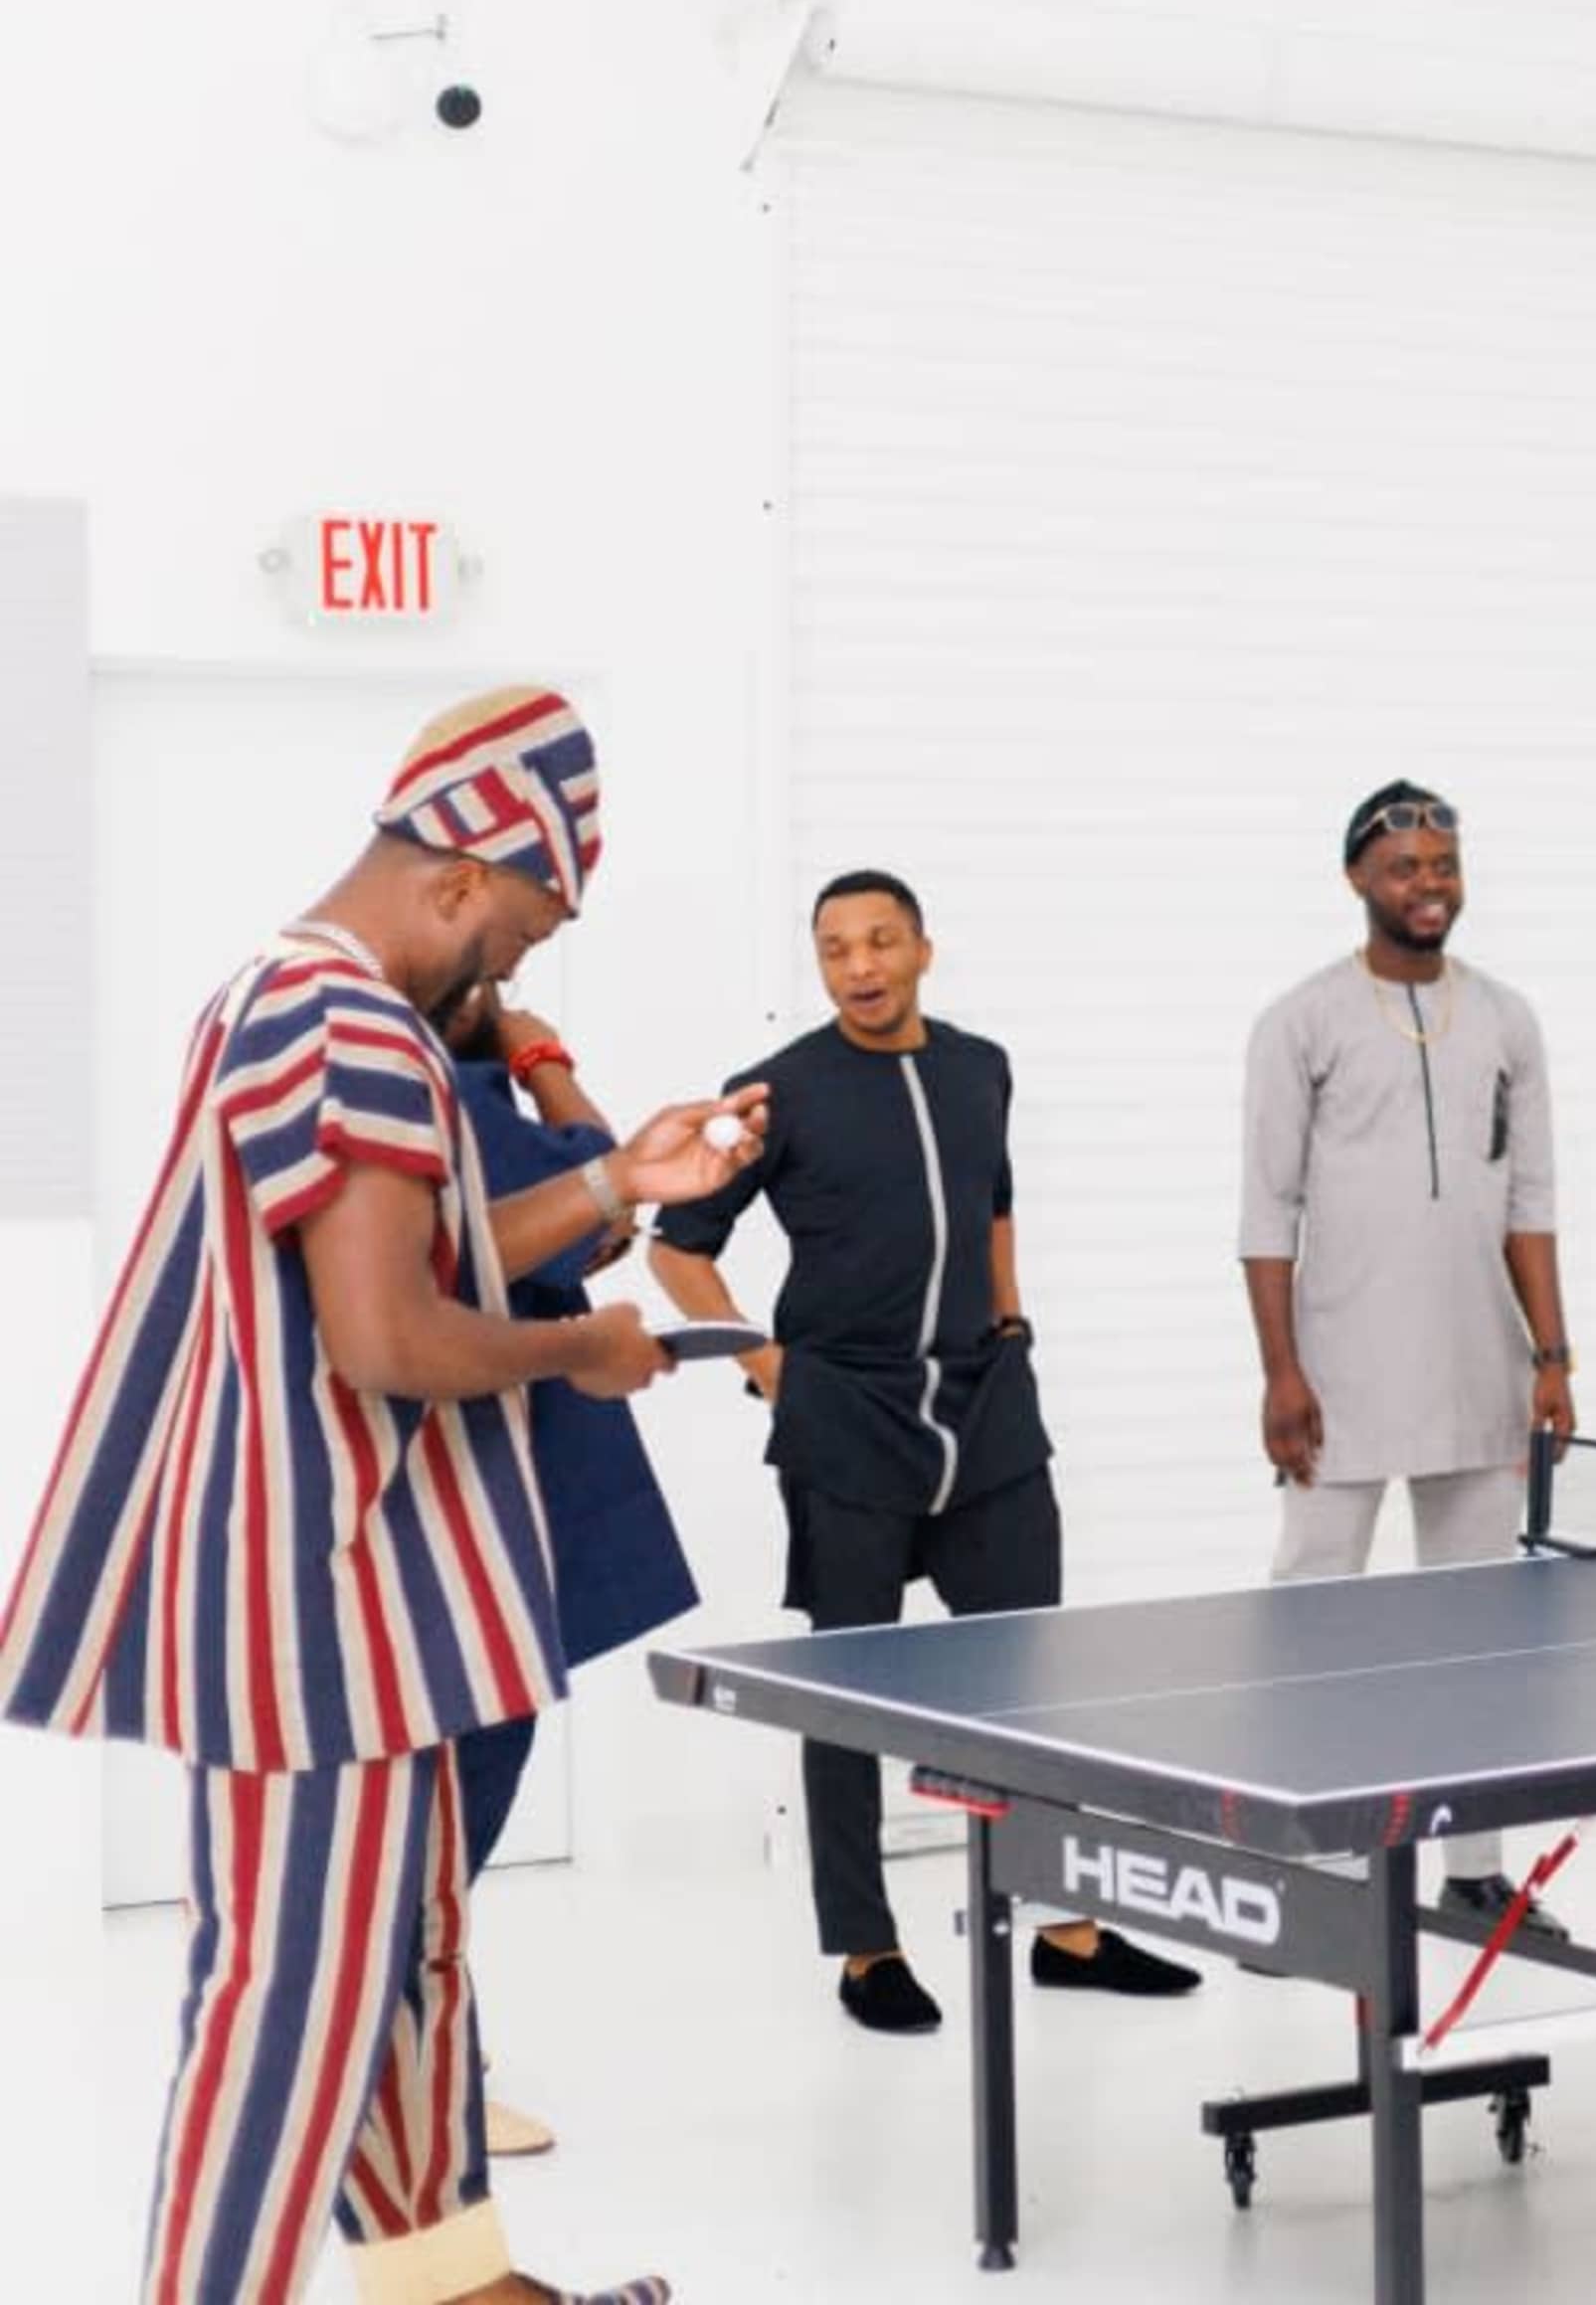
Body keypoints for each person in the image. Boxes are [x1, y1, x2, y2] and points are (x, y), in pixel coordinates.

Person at [0, 685, 751, 2305]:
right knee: (291, 2004)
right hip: (315, 1604)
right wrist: (592, 1351)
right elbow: (391, 1334)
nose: (522, 968)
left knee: (407, 1963)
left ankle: (453, 2288)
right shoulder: (346, 1027)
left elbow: (419, 1250)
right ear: (466, 877)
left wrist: (625, 1181)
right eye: (532, 932)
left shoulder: (289, 996)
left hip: (365, 1599)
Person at [649, 870, 1196, 2029]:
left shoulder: (979, 1066)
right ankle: (867, 1946)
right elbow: (677, 1247)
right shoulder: (779, 1092)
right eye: (836, 947)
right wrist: (769, 1365)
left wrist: (1008, 1316)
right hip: (845, 1413)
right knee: (849, 1687)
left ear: (923, 952)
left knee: (1032, 1676)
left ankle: (1070, 1924)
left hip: (987, 1405)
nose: (859, 965)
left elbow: (993, 1203)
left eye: (880, 941)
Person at [1240, 781, 1575, 1931]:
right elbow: (1265, 1211)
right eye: (1405, 867)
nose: (1428, 884)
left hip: (1481, 1370)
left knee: (1475, 1631)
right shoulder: (1303, 1020)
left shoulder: (1507, 1017)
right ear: (1356, 880)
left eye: (1444, 863)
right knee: (1317, 1628)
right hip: (1339, 1375)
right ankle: (1313, 1882)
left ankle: (1474, 1867)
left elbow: (1530, 1198)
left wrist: (1554, 1355)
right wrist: (1282, 1373)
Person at [434, 980, 706, 2161]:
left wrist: (524, 1053)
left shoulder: (473, 1084)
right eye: (498, 961)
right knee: (455, 1781)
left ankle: (425, 2060)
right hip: (472, 1458)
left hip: (519, 1452)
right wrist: (538, 1050)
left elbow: (602, 1204)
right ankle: (425, 2079)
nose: (508, 978)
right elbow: (604, 1193)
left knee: (470, 1768)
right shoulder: (439, 1088)